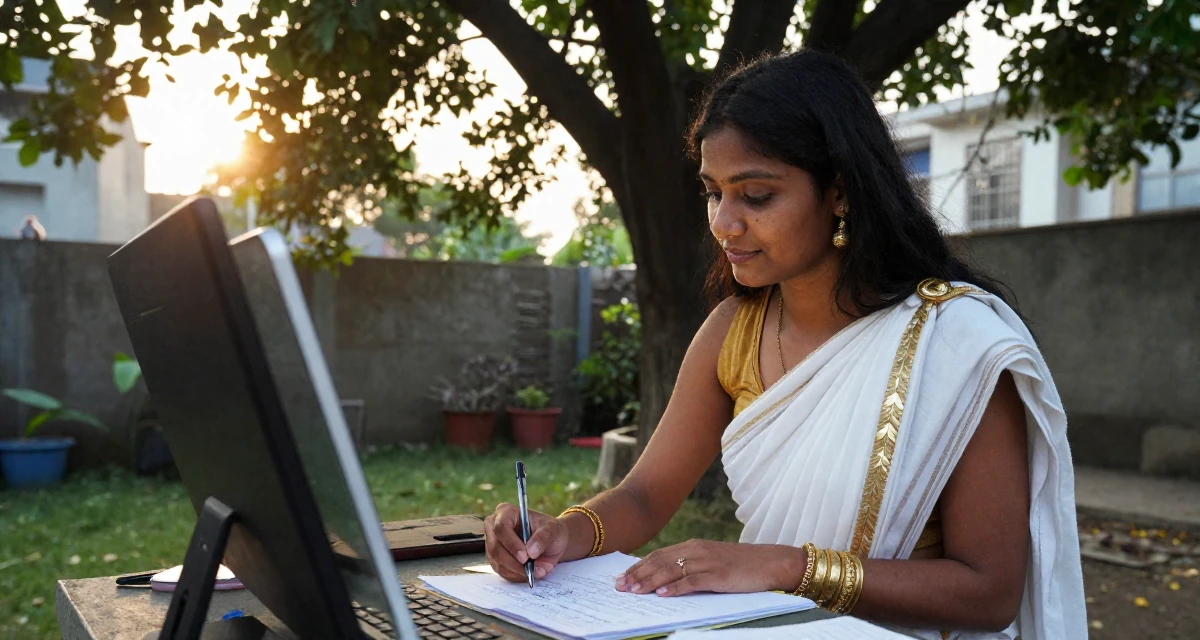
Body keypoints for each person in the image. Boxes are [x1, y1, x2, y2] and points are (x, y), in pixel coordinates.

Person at [483, 50, 1086, 639]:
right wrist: (561, 534)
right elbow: (645, 495)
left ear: (841, 192)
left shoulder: (959, 346)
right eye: (713, 192)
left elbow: (989, 592)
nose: (723, 222)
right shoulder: (732, 330)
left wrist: (789, 567)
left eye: (756, 195)